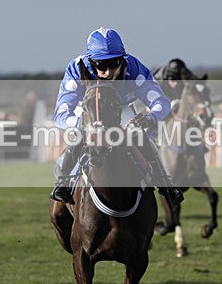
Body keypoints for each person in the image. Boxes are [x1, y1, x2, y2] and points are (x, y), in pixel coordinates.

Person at [50, 27, 184, 207]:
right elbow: (61, 113)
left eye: (114, 64)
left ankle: (165, 185)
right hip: (90, 111)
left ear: (123, 59)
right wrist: (83, 124)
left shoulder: (133, 67)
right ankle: (62, 184)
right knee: (80, 137)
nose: (108, 71)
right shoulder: (76, 69)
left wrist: (149, 118)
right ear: (91, 61)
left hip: (122, 110)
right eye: (101, 65)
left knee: (141, 136)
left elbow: (161, 102)